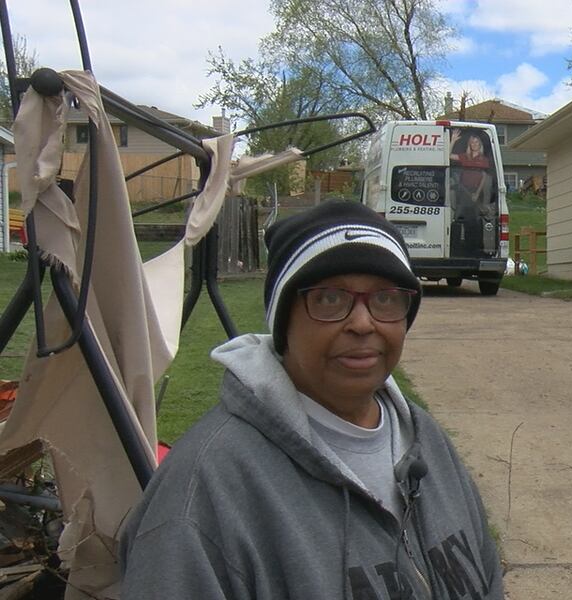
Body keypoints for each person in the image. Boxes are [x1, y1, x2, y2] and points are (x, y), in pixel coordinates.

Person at [119, 201, 503, 599]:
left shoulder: (427, 441)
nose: (362, 322)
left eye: (386, 298)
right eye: (330, 299)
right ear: (283, 322)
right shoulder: (202, 496)